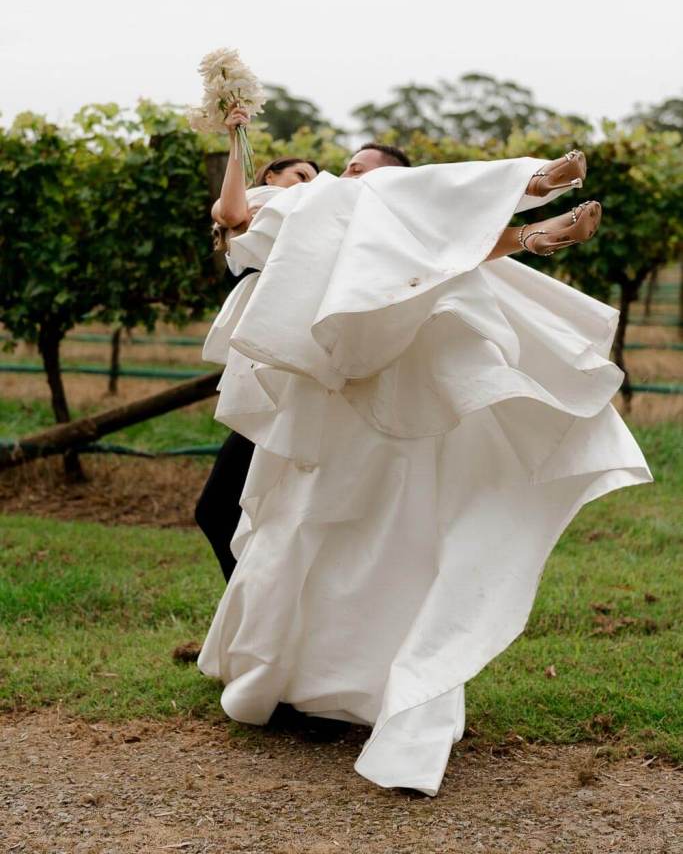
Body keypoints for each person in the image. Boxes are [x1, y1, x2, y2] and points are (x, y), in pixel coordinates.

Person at [196, 138, 651, 797]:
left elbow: (448, 244)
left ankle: (533, 194)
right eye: (343, 164)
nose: (343, 172)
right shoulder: (303, 205)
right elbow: (234, 215)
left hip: (373, 397)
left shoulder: (390, 223)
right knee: (300, 534)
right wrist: (238, 133)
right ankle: (530, 199)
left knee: (372, 544)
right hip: (319, 392)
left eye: (361, 166)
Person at [195, 104, 319, 581]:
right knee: (220, 510)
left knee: (233, 508)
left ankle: (263, 611)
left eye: (314, 180)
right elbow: (232, 212)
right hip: (265, 361)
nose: (308, 185)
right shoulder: (260, 204)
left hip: (297, 362)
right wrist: (235, 139)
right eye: (300, 175)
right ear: (271, 175)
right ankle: (253, 609)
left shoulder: (316, 215)